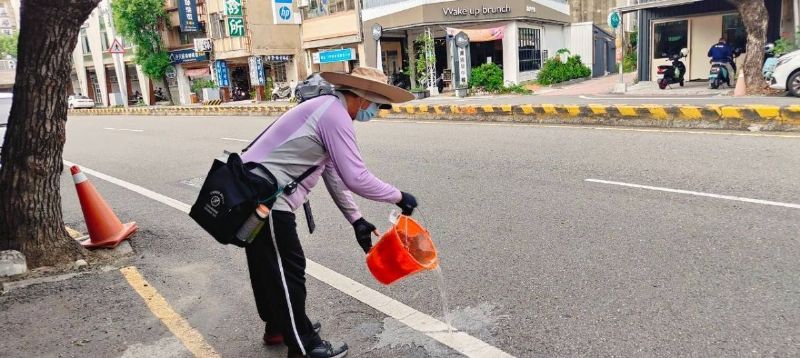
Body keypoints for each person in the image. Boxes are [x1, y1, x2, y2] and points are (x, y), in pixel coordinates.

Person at [239, 67, 418, 358]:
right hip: (267, 200)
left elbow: (333, 174)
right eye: (377, 104)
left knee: (269, 269)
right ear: (362, 98)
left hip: (256, 194)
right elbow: (356, 178)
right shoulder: (334, 115)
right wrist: (399, 197)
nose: (376, 110)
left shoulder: (326, 109)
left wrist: (356, 220)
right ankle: (305, 347)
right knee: (288, 271)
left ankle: (279, 328)